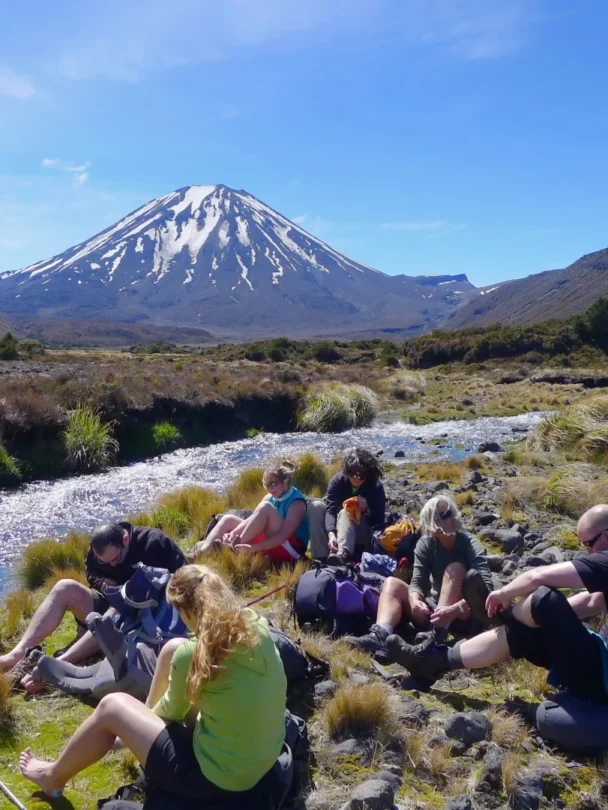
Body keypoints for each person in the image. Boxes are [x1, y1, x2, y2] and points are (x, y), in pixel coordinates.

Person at [18, 564, 290, 807]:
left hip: (215, 780)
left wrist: (128, 731)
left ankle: (51, 777)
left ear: (185, 611)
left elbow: (167, 715)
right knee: (172, 649)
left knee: (113, 707)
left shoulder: (192, 656)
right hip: (261, 763)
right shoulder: (257, 626)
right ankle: (123, 731)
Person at [385, 504, 608, 709]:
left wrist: (505, 594)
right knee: (522, 628)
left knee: (543, 600)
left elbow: (538, 576)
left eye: (589, 544)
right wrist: (538, 617)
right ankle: (432, 662)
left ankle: (505, 618)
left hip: (601, 677)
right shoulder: (427, 544)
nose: (588, 553)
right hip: (598, 661)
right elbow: (591, 601)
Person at [0, 521, 187, 679]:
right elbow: (91, 574)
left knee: (115, 610)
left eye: (116, 558)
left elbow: (186, 575)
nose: (113, 564)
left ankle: (59, 664)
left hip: (147, 619)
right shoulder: (99, 551)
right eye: (106, 562)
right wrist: (103, 584)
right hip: (111, 605)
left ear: (125, 539)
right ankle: (17, 654)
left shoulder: (154, 541)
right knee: (64, 587)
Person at [344, 495, 493, 658]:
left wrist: (453, 610)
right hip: (436, 609)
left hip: (465, 611)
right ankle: (379, 635)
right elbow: (417, 581)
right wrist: (415, 601)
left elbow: (486, 589)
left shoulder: (469, 544)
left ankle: (436, 637)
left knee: (455, 569)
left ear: (454, 516)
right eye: (434, 517)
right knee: (392, 584)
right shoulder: (426, 543)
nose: (440, 522)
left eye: (445, 515)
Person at [197, 460, 309, 563]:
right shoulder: (270, 497)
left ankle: (233, 547)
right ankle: (200, 553)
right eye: (267, 484)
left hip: (290, 551)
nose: (270, 488)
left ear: (285, 481)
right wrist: (233, 533)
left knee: (265, 507)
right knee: (228, 519)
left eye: (274, 483)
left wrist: (253, 548)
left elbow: (282, 537)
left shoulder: (296, 503)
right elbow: (253, 519)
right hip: (269, 542)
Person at [307, 447, 386, 564]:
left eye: (361, 476)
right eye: (352, 474)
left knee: (345, 512)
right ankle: (321, 558)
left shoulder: (375, 486)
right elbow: (330, 510)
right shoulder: (337, 481)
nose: (356, 479)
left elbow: (379, 519)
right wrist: (331, 534)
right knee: (316, 506)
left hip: (361, 530)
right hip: (336, 526)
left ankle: (342, 555)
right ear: (346, 470)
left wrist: (366, 509)